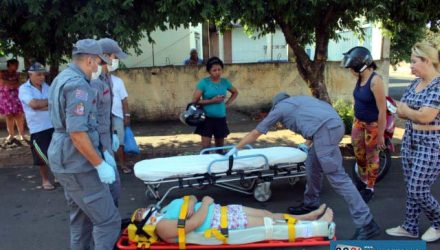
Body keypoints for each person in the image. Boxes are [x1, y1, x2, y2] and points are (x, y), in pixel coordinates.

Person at [225, 93, 379, 240]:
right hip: (332, 127)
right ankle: (311, 203)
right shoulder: (301, 101)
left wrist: (237, 148)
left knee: (338, 178)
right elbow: (318, 121)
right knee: (312, 164)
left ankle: (366, 223)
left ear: (276, 104)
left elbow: (256, 132)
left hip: (326, 132)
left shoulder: (280, 108)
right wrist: (308, 143)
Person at [47, 39, 120, 250]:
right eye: (98, 62)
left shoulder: (62, 77)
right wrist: (99, 164)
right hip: (77, 162)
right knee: (108, 221)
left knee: (81, 221)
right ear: (89, 60)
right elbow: (77, 132)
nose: (99, 67)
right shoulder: (79, 85)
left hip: (65, 158)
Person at [386, 43, 440, 242]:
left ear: (427, 60)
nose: (410, 67)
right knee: (411, 187)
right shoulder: (414, 84)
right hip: (410, 141)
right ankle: (410, 227)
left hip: (431, 145)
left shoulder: (438, 85)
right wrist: (411, 113)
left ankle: (439, 223)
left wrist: (409, 111)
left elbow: (425, 116)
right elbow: (400, 110)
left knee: (418, 188)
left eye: (414, 62)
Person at [134, 195, 333, 243]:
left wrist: (194, 201)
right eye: (140, 212)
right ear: (144, 223)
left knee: (268, 214)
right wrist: (205, 202)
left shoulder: (166, 210)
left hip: (223, 212)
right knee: (270, 225)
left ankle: (307, 216)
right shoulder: (162, 227)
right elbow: (194, 224)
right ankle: (319, 227)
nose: (144, 209)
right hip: (221, 224)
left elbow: (188, 197)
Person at [341, 47, 387, 203]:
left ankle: (370, 187)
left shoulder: (376, 81)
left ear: (361, 66)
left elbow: (382, 110)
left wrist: (381, 135)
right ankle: (363, 180)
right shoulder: (360, 79)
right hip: (358, 122)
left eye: (351, 68)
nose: (350, 71)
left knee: (371, 157)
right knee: (359, 154)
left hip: (372, 125)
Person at [91, 37, 128, 205]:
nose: (116, 61)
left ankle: (111, 222)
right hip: (97, 143)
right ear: (104, 56)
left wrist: (113, 133)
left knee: (114, 189)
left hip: (106, 136)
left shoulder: (108, 79)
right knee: (106, 191)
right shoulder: (94, 82)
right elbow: (90, 119)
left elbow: (107, 113)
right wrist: (102, 149)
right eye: (115, 56)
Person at [18, 62, 55, 190]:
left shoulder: (47, 87)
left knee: (56, 153)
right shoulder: (24, 89)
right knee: (42, 157)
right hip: (38, 128)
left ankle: (58, 176)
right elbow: (34, 104)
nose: (42, 77)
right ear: (30, 75)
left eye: (43, 75)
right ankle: (45, 180)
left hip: (52, 125)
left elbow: (54, 103)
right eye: (38, 75)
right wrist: (46, 104)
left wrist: (43, 105)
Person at [192, 57, 238, 153]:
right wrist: (212, 101)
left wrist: (227, 103)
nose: (217, 72)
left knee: (220, 150)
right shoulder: (204, 83)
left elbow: (235, 92)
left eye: (219, 69)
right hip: (206, 119)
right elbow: (195, 101)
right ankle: (206, 167)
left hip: (221, 119)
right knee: (205, 150)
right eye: (214, 70)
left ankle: (220, 167)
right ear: (209, 71)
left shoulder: (225, 82)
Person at [110, 50, 132, 174]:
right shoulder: (95, 81)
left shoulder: (118, 81)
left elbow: (124, 100)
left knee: (120, 142)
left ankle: (122, 164)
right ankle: (110, 166)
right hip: (103, 118)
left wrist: (127, 115)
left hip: (117, 116)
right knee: (105, 142)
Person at [0, 59, 27, 142]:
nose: (17, 66)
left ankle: (22, 134)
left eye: (17, 64)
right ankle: (11, 135)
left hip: (17, 98)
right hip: (6, 98)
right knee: (9, 116)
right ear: (9, 65)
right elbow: (1, 83)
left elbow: (20, 84)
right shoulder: (2, 74)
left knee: (19, 115)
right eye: (15, 64)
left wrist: (7, 83)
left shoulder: (20, 74)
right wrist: (12, 83)